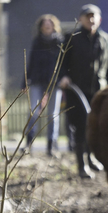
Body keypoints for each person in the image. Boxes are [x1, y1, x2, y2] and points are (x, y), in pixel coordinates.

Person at [59, 4, 108, 178]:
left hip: (98, 91)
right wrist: (63, 77)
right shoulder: (71, 37)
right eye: (87, 17)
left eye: (94, 17)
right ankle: (81, 165)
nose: (91, 20)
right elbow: (61, 62)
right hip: (76, 90)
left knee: (96, 128)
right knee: (80, 127)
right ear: (81, 19)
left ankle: (91, 158)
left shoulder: (105, 39)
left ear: (100, 19)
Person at [23, 14, 64, 156]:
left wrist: (63, 78)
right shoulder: (37, 42)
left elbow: (64, 64)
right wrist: (25, 81)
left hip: (54, 83)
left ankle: (51, 146)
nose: (47, 26)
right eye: (44, 24)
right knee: (33, 113)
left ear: (54, 26)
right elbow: (31, 62)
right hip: (37, 81)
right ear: (41, 27)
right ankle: (28, 144)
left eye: (49, 24)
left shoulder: (60, 42)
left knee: (53, 115)